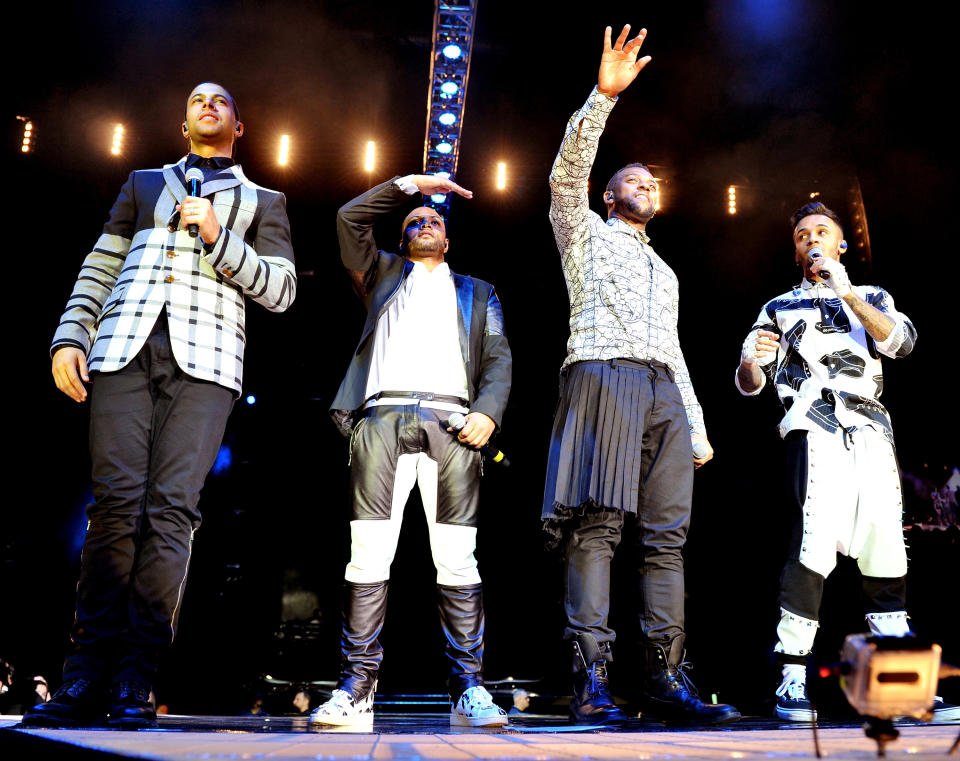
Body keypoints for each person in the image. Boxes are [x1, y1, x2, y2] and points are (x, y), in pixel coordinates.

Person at [24, 82, 296, 729]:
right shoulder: (143, 183)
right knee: (115, 504)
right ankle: (84, 672)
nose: (207, 104)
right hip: (123, 346)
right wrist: (71, 335)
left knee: (171, 511)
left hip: (207, 366)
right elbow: (100, 263)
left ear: (238, 125)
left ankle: (134, 677)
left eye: (221, 100)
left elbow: (282, 290)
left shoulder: (265, 201)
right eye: (197, 99)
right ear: (183, 124)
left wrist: (219, 235)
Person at [541, 25, 739, 726]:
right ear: (607, 197)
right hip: (603, 376)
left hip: (663, 393)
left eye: (651, 180)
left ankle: (665, 676)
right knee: (597, 529)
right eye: (630, 179)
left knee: (667, 539)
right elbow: (566, 173)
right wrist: (603, 97)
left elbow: (675, 345)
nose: (644, 183)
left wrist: (696, 418)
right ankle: (590, 677)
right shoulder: (585, 234)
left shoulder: (666, 268)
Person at [737, 201, 959, 723]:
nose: (810, 240)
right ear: (794, 249)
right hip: (811, 431)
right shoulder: (777, 306)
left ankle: (903, 687)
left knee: (886, 548)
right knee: (811, 546)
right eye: (801, 235)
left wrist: (846, 292)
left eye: (821, 232)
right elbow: (749, 387)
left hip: (871, 433)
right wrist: (750, 361)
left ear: (840, 245)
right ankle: (791, 682)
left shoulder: (872, 295)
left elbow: (901, 342)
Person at [311, 174, 511, 729]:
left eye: (434, 221)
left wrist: (488, 412)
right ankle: (356, 687)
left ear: (447, 240)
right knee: (367, 555)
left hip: (454, 426)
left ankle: (469, 688)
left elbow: (497, 358)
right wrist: (406, 187)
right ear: (402, 241)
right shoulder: (380, 274)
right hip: (381, 418)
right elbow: (349, 218)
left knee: (457, 558)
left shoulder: (478, 290)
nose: (424, 224)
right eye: (413, 223)